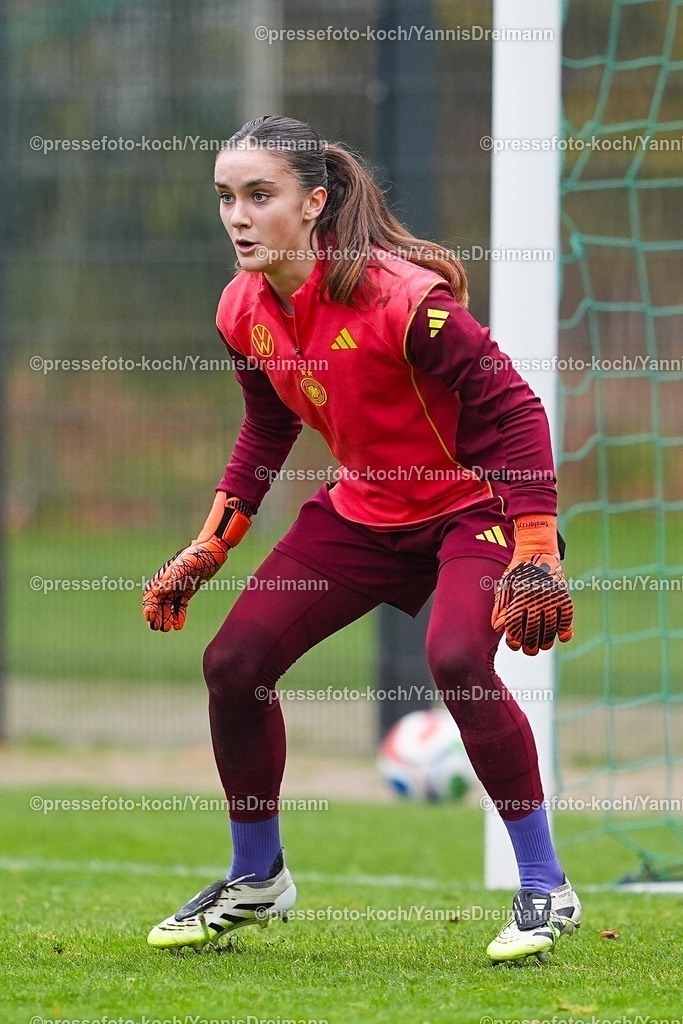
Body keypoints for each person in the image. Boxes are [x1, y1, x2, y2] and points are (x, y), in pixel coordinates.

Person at [142, 115, 580, 964]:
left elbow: (515, 410)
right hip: (362, 512)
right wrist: (210, 547)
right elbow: (265, 431)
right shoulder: (241, 309)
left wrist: (534, 545)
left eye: (259, 196)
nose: (238, 216)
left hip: (471, 505)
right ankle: (256, 876)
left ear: (314, 203)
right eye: (226, 198)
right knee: (233, 665)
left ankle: (543, 886)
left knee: (456, 659)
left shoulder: (405, 298)